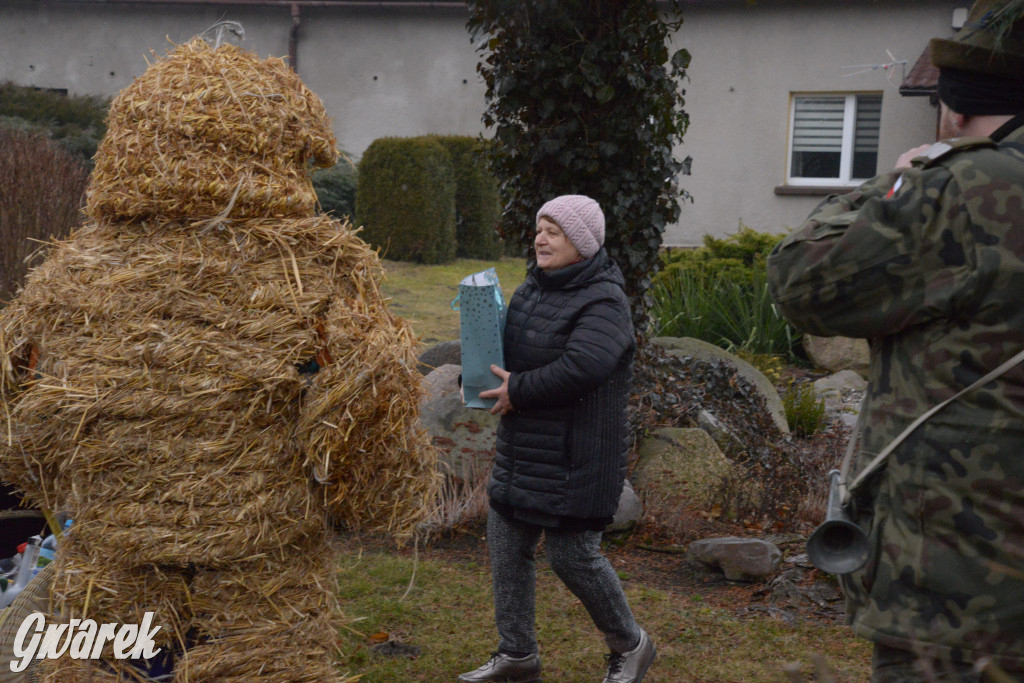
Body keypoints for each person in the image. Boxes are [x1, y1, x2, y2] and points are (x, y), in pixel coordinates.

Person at [766, 2, 1024, 681]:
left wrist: (900, 180)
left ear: (955, 111)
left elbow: (800, 280)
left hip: (964, 588)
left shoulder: (972, 186)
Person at [458, 195, 654, 683]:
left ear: (582, 244)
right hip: (525, 449)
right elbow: (516, 351)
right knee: (506, 544)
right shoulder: (534, 289)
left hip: (577, 457)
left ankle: (630, 645)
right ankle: (517, 656)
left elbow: (583, 366)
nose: (541, 239)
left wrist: (517, 389)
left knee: (573, 557)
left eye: (554, 232)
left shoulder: (605, 301)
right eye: (539, 229)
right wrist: (479, 343)